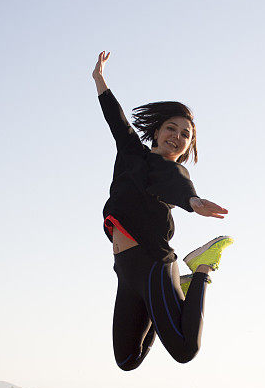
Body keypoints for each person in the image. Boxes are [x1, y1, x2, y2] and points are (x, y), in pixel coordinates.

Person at [93, 51, 233, 371]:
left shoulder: (174, 172)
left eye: (186, 135)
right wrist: (99, 79)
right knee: (127, 360)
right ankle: (178, 292)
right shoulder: (131, 153)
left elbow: (181, 188)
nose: (178, 137)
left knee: (185, 350)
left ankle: (201, 268)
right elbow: (116, 118)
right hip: (126, 271)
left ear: (188, 146)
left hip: (153, 264)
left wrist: (194, 203)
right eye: (172, 128)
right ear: (157, 130)